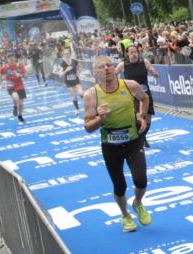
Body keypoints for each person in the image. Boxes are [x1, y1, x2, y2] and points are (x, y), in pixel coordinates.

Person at [83, 56, 151, 234]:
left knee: (141, 181)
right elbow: (88, 127)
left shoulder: (130, 85)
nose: (106, 69)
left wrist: (141, 115)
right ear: (95, 72)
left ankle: (137, 203)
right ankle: (125, 215)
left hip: (133, 140)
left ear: (115, 68)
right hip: (110, 145)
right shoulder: (91, 94)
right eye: (101, 67)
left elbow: (144, 99)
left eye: (109, 65)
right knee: (119, 186)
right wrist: (100, 119)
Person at [117, 44, 158, 145]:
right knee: (138, 118)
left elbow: (153, 71)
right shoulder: (123, 64)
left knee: (148, 118)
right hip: (132, 95)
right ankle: (139, 139)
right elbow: (114, 74)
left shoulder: (144, 62)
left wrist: (154, 72)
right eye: (131, 52)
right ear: (127, 54)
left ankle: (142, 137)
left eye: (135, 52)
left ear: (138, 53)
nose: (133, 54)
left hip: (145, 94)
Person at [0, 51, 27, 123]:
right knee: (16, 98)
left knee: (21, 103)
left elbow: (25, 75)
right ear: (7, 59)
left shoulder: (19, 65)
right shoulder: (5, 67)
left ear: (14, 57)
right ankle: (15, 107)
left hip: (20, 86)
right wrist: (1, 84)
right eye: (9, 57)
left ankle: (20, 116)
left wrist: (20, 75)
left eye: (12, 56)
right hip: (11, 87)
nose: (11, 58)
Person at [56, 50, 84, 115]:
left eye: (68, 53)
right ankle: (77, 109)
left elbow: (81, 66)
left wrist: (79, 71)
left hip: (76, 80)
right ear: (64, 55)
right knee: (74, 96)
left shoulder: (74, 61)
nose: (67, 55)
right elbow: (60, 75)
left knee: (81, 92)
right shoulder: (63, 63)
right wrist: (66, 70)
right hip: (68, 82)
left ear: (70, 54)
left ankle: (87, 105)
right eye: (65, 54)